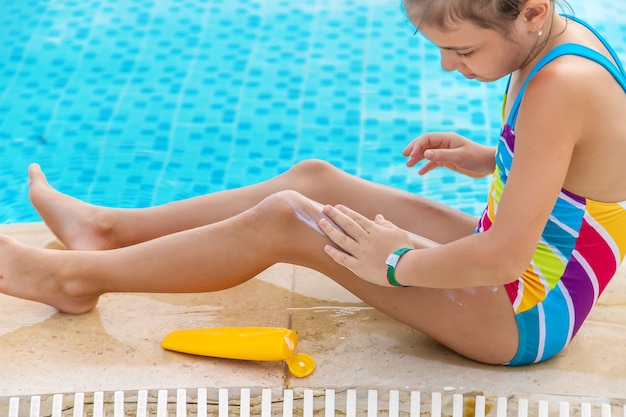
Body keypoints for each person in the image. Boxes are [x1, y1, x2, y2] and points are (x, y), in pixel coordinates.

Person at [1, 0, 626, 367]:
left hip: (527, 311)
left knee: (289, 219)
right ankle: (107, 231)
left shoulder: (561, 85)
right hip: (526, 265)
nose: (448, 65)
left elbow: (507, 256)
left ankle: (71, 279)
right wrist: (492, 158)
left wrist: (398, 263)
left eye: (462, 51)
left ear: (531, 13)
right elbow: (588, 166)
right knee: (316, 179)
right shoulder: (554, 37)